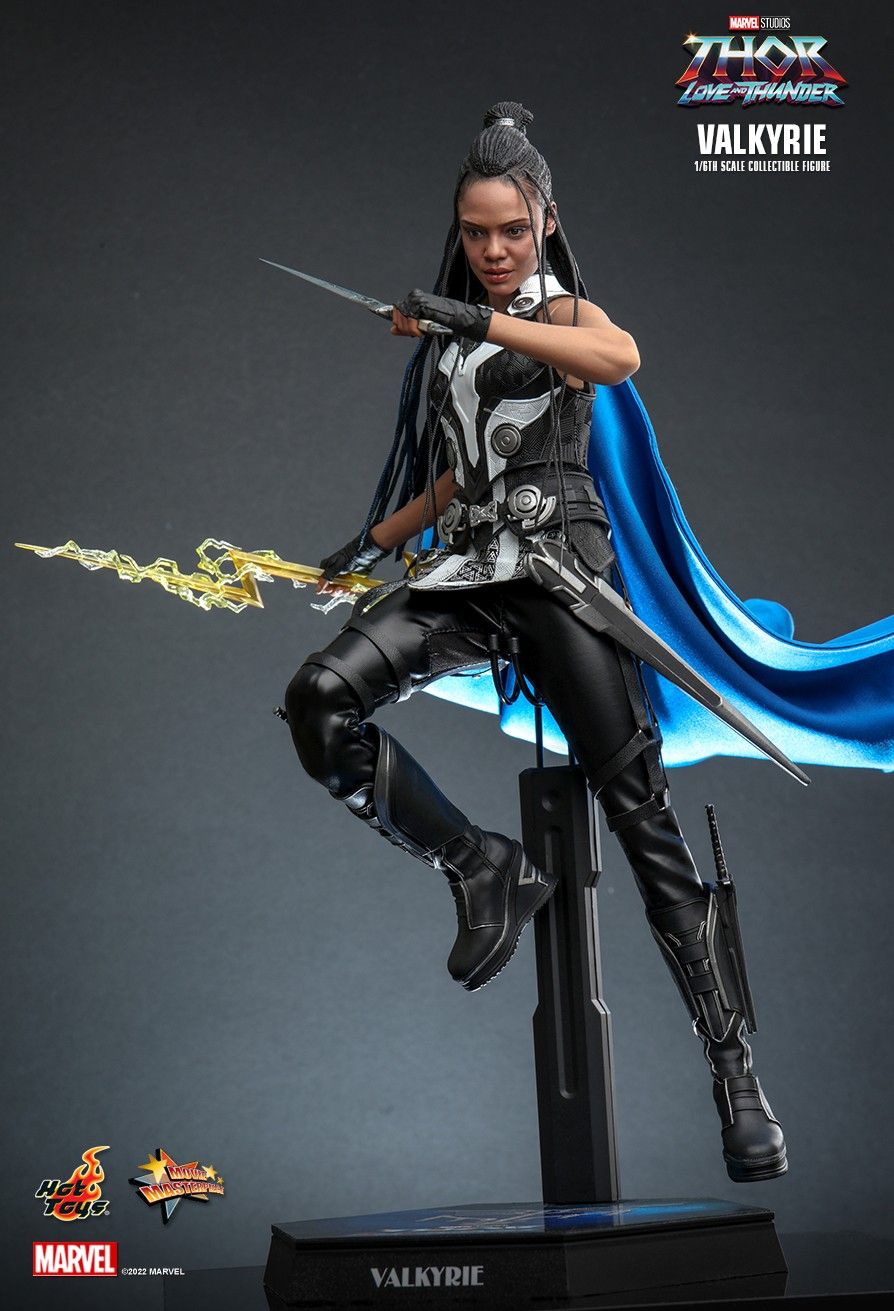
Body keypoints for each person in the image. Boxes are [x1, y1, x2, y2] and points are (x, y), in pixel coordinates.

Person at [284, 102, 786, 1183]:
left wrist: (479, 319)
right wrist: (372, 543)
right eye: (476, 233)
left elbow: (618, 356)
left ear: (547, 221)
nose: (494, 250)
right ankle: (480, 866)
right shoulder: (462, 336)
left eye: (512, 230)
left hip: (561, 583)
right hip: (470, 577)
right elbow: (466, 472)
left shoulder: (560, 314)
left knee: (645, 824)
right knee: (319, 698)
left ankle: (736, 1071)